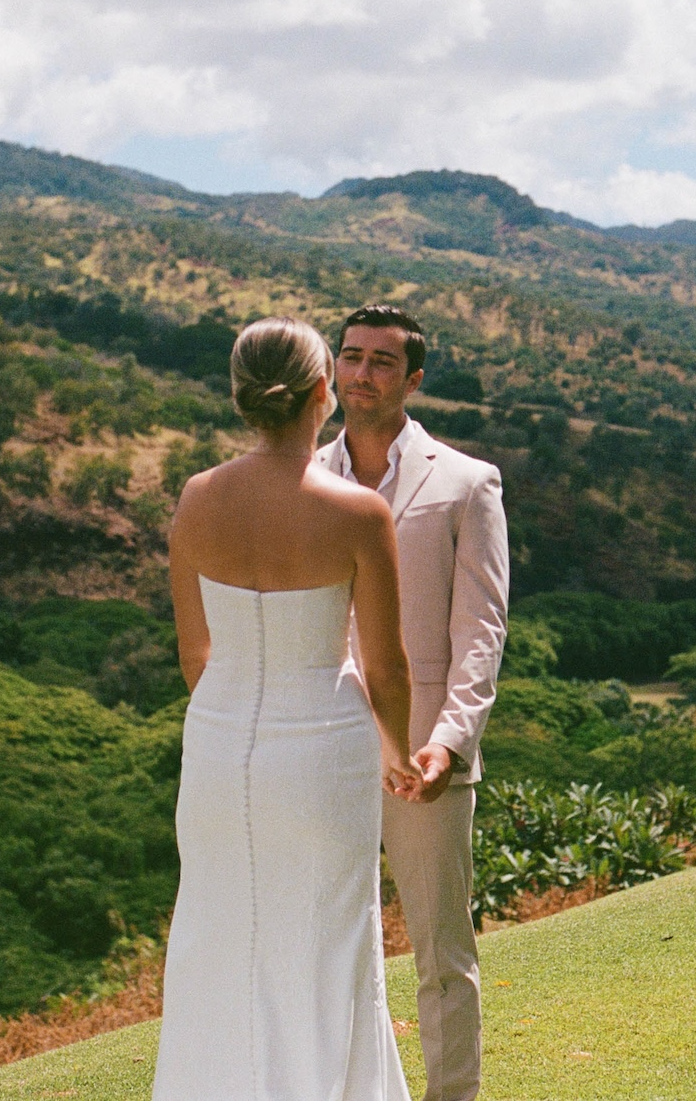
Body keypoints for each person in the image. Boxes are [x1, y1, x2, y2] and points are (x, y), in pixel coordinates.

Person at [153, 317, 420, 1101]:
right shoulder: (358, 512)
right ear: (321, 394)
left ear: (241, 398)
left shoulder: (198, 498)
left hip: (218, 745)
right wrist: (399, 750)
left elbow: (194, 655)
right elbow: (388, 667)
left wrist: (239, 720)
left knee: (218, 935)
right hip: (323, 751)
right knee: (329, 940)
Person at [317, 305, 508, 1101]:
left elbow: (482, 630)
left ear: (414, 377)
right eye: (351, 357)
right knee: (324, 947)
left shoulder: (467, 481)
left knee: (440, 950)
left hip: (427, 754)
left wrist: (450, 741)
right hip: (321, 749)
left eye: (382, 361)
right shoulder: (300, 481)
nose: (361, 373)